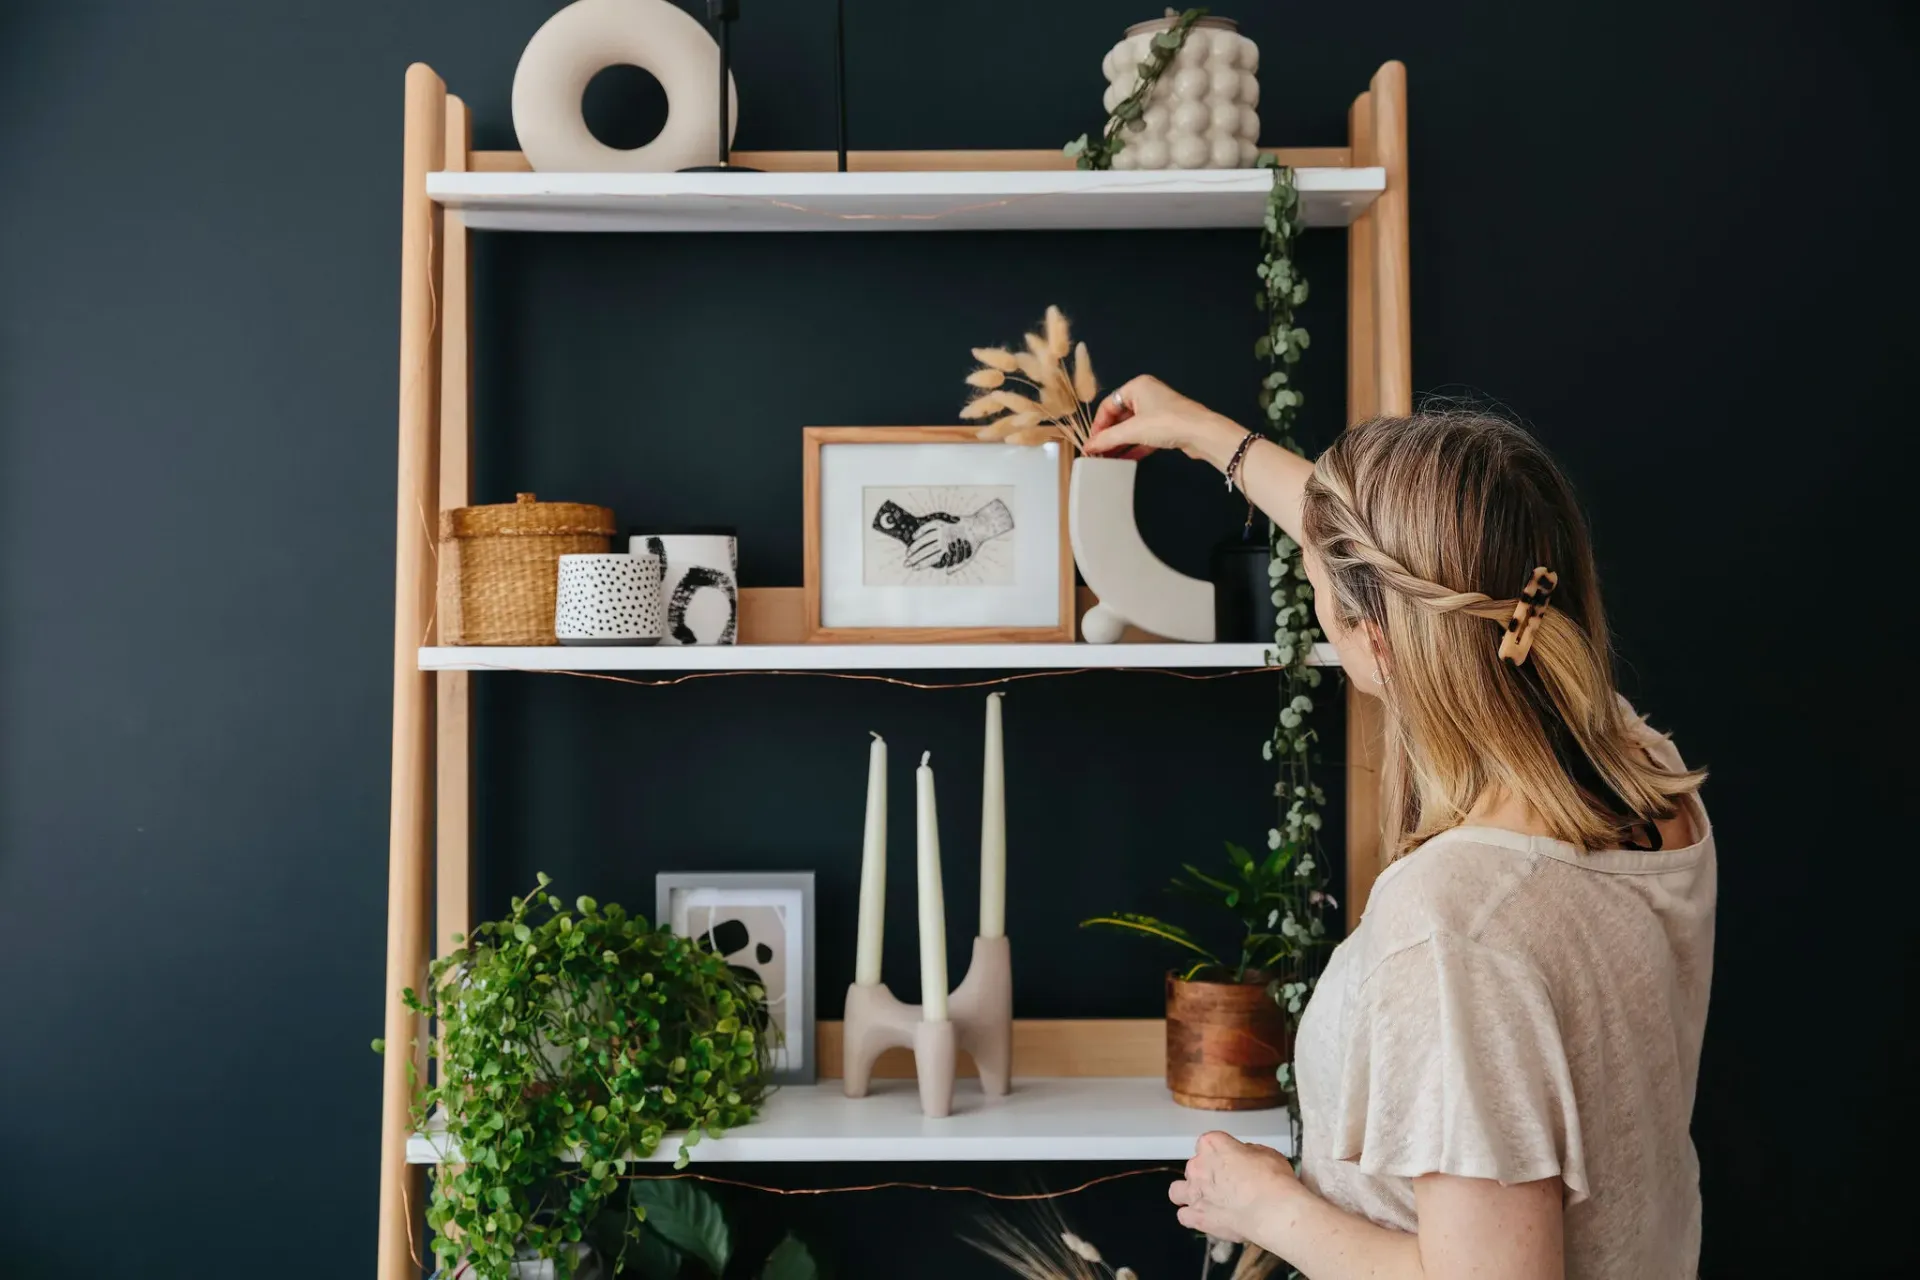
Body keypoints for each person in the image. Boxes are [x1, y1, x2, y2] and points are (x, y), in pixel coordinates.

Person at [1087, 378, 1713, 1280]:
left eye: (1322, 599)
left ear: (1376, 640)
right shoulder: (1641, 772)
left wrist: (1267, 1207)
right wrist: (1206, 437)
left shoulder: (1453, 923)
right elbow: (1398, 561)